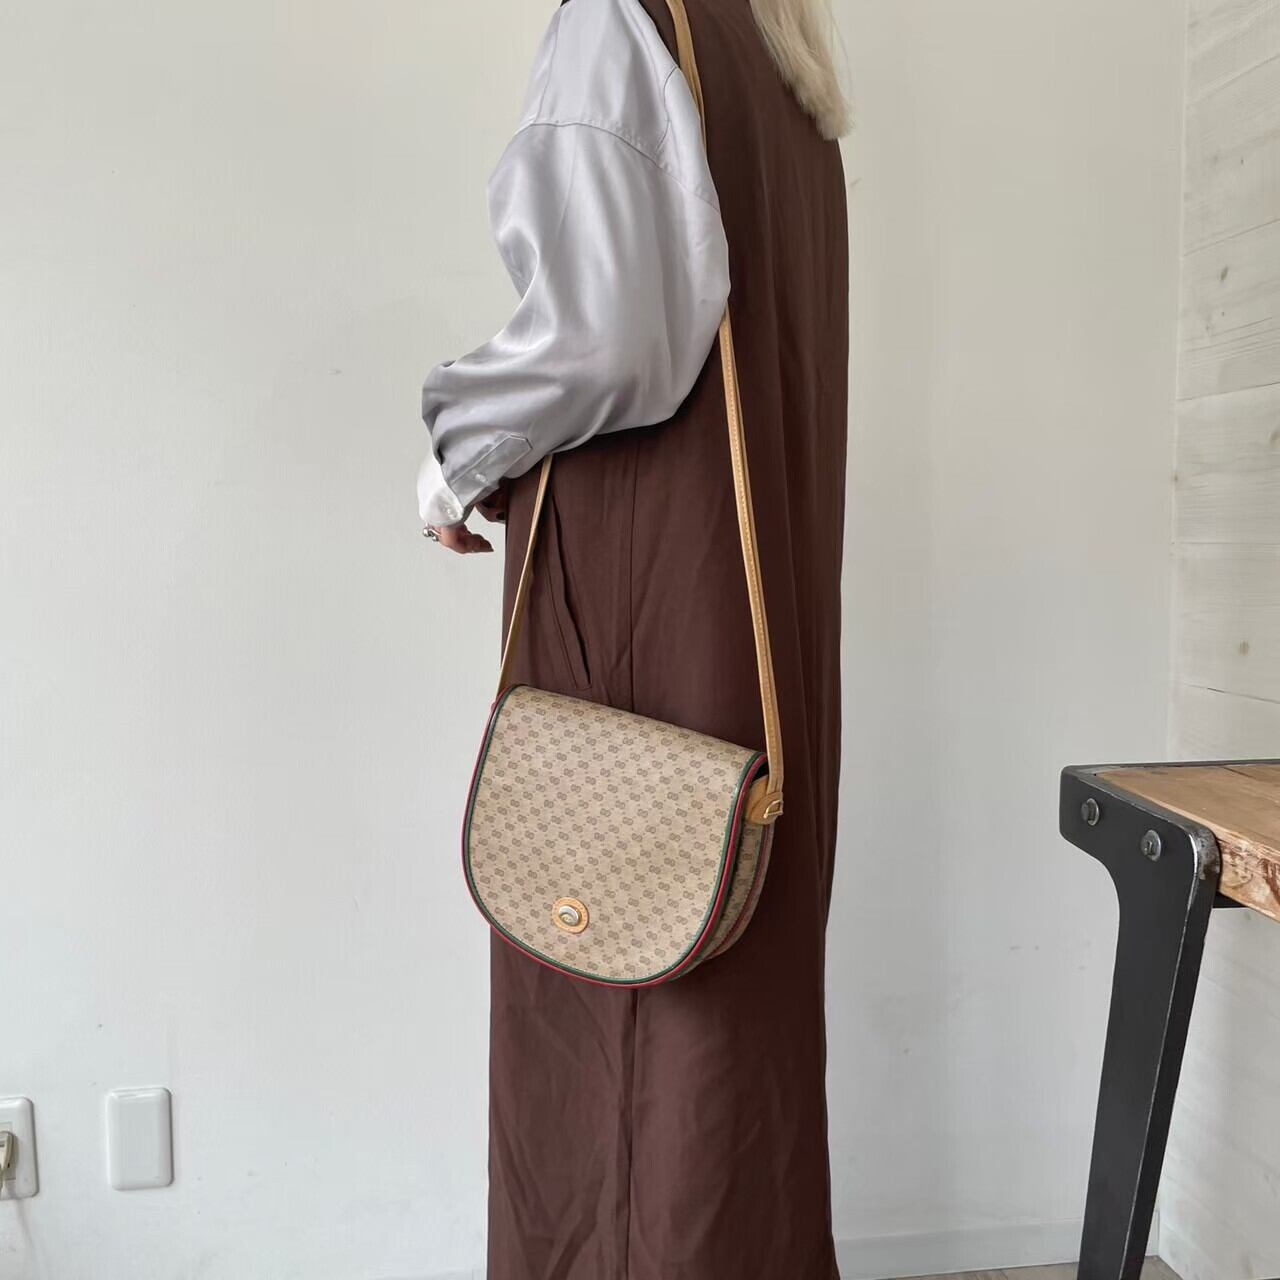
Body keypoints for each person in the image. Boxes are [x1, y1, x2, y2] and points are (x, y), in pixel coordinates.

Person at [418, 0, 850, 1275]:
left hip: (641, 605)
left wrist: (454, 457)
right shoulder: (783, 63)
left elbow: (600, 338)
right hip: (747, 630)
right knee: (724, 997)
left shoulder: (625, 21)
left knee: (611, 997)